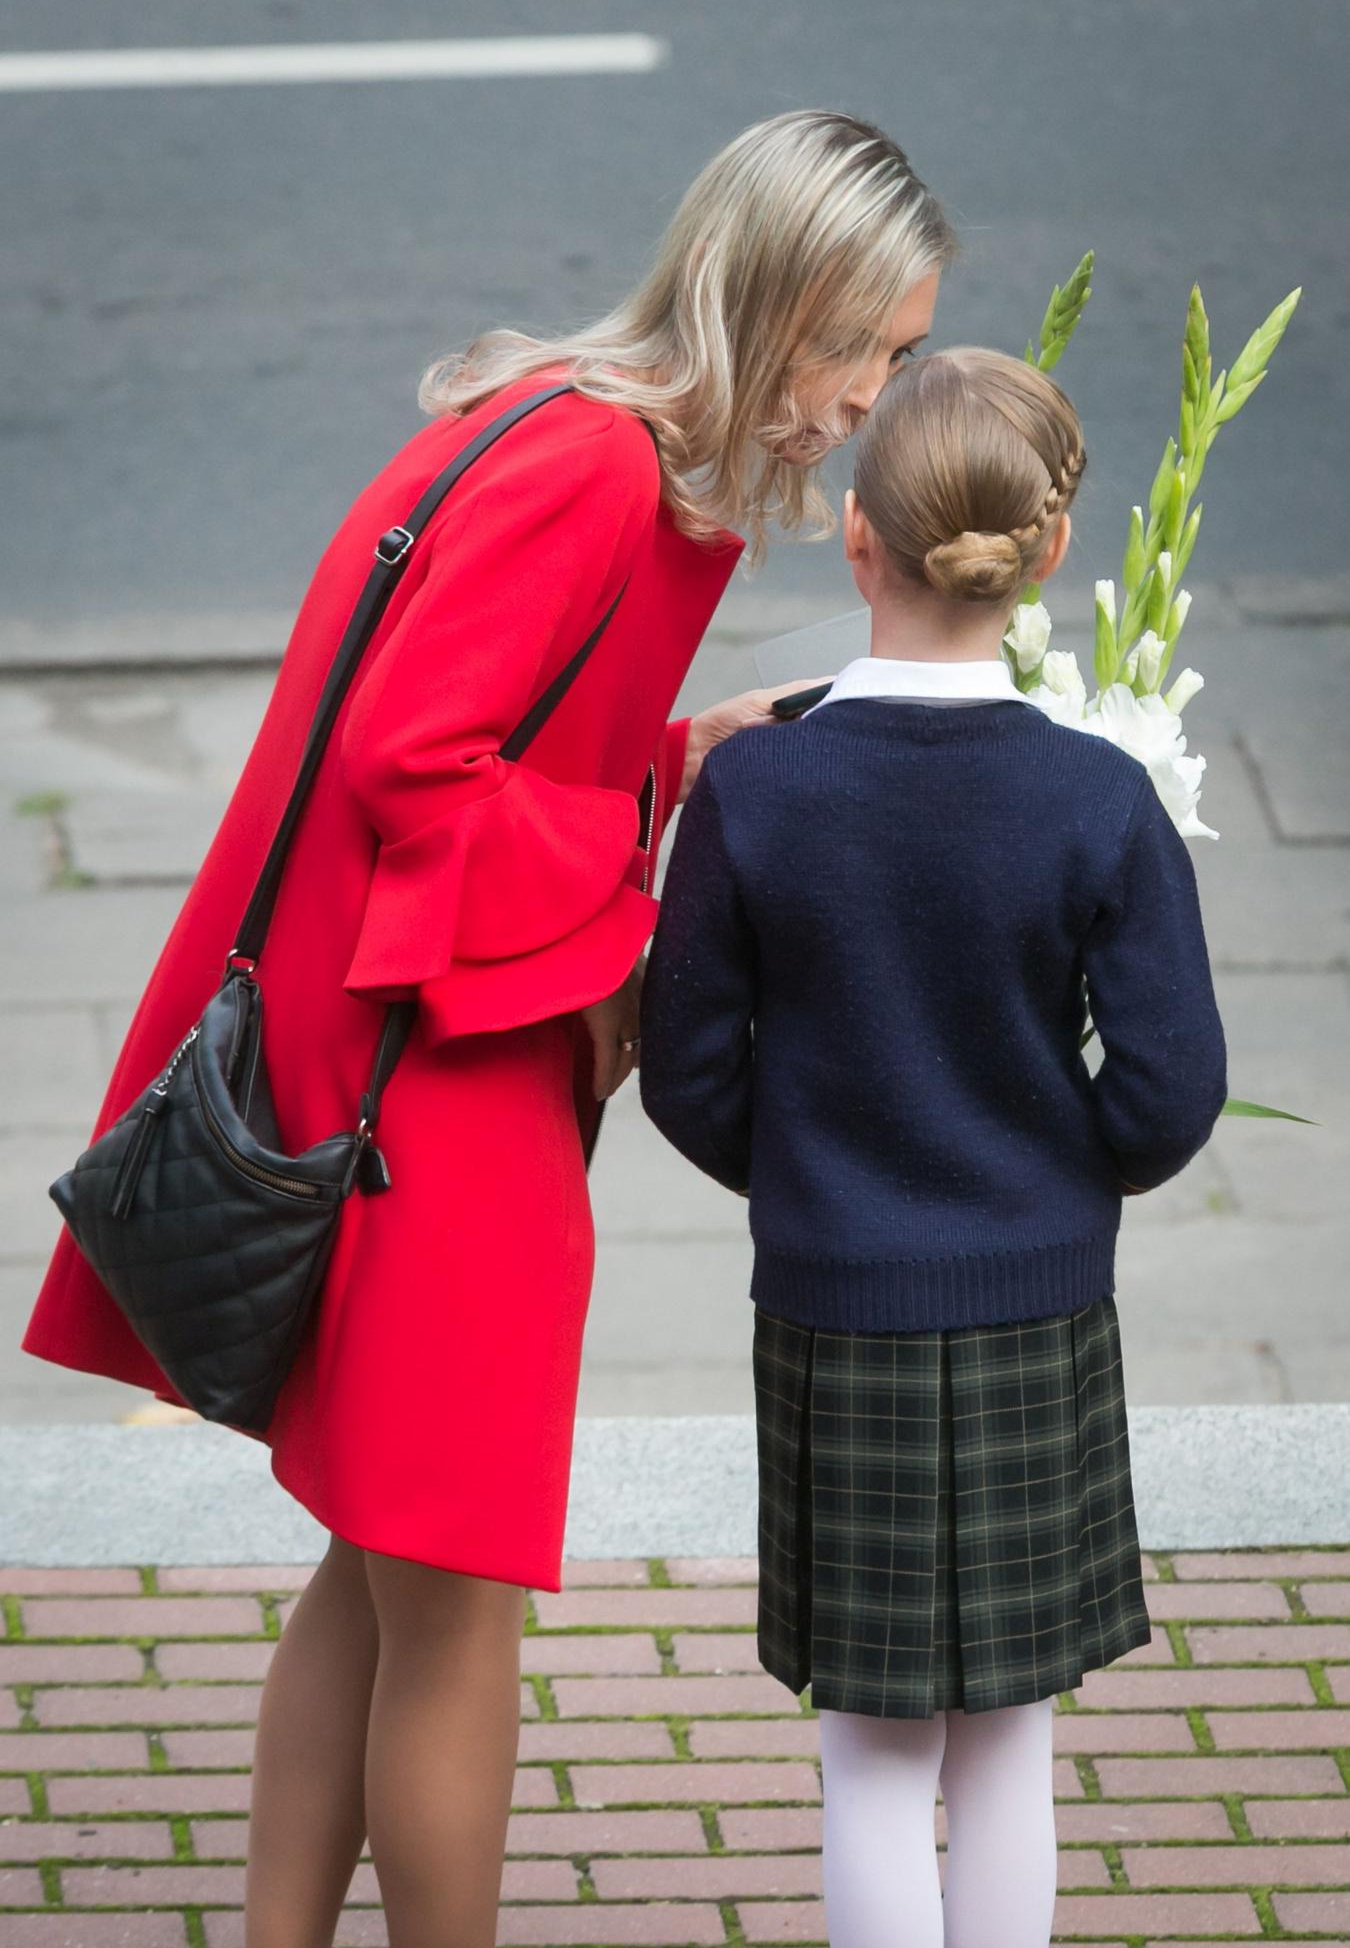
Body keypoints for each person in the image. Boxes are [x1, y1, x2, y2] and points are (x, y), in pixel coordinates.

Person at [21, 111, 955, 1948]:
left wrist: (680, 752)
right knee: (451, 1595)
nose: (869, 399)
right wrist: (631, 859)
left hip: (372, 1044)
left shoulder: (556, 418)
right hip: (427, 1083)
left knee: (374, 1580)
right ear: (773, 305)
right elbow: (411, 760)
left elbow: (458, 730)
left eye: (905, 356)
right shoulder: (603, 472)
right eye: (863, 345)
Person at [639, 347, 1228, 1948]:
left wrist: (819, 1169)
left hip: (837, 1310)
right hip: (1037, 1309)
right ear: (1046, 555)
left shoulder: (757, 787)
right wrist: (1051, 1166)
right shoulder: (1094, 796)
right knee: (1012, 1742)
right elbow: (1171, 1089)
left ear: (853, 538)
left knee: (872, 1750)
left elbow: (685, 1074)